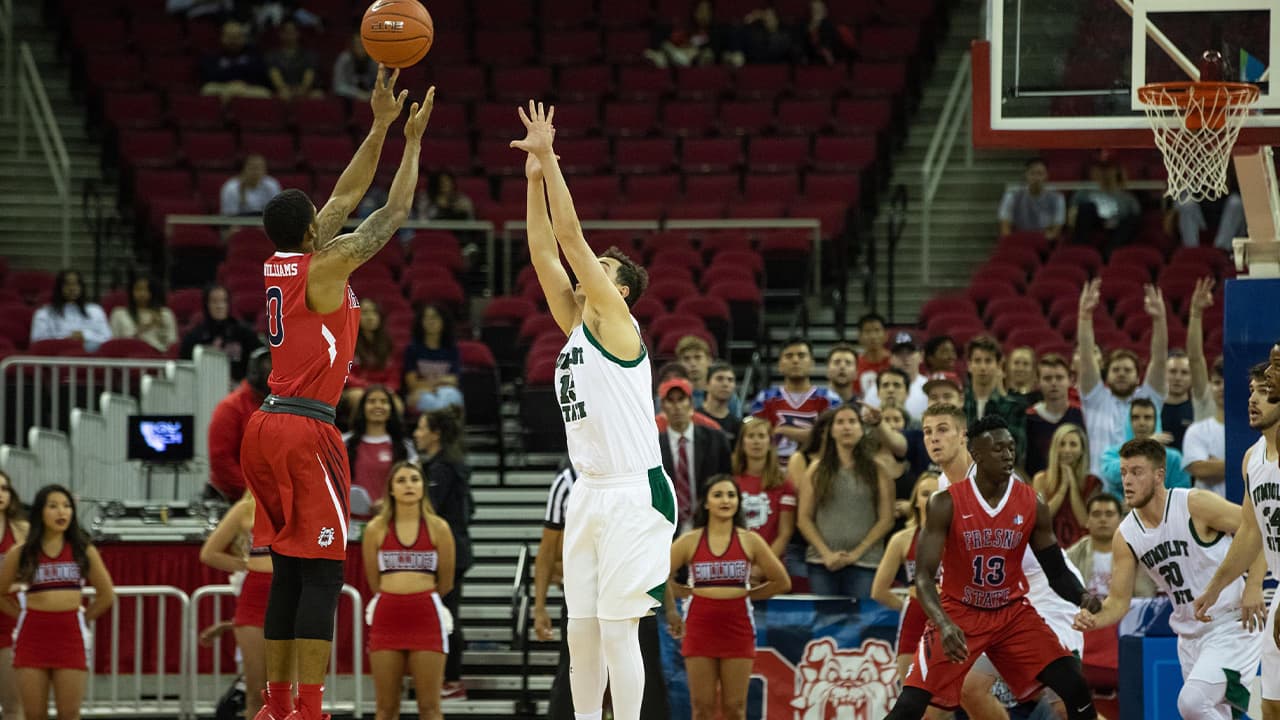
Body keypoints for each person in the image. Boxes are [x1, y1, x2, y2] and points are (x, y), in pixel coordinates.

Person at [239, 68, 433, 720]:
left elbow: (347, 195)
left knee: (288, 572)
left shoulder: (282, 262)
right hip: (304, 429)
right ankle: (311, 709)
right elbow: (392, 213)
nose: (332, 213)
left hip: (265, 426)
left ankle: (277, 704)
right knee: (323, 571)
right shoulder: (325, 266)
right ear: (312, 231)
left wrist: (377, 123)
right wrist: (411, 141)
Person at [513, 99, 675, 720]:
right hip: (588, 490)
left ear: (621, 288)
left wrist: (550, 157)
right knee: (582, 627)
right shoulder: (576, 323)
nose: (590, 272)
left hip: (637, 491)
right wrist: (532, 182)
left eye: (605, 271)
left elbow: (572, 242)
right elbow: (541, 250)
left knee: (616, 629)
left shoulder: (616, 320)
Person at [883, 417, 1100, 720]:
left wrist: (1081, 597)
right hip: (960, 611)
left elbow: (1056, 571)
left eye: (1011, 448)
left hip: (1012, 613)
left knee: (1074, 685)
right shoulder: (945, 502)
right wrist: (944, 624)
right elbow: (923, 577)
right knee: (911, 705)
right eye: (998, 449)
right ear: (976, 453)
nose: (1008, 454)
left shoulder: (1032, 503)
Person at [1074, 438, 1265, 720]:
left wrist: (1254, 586)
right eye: (1124, 472)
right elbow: (1117, 601)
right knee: (1213, 714)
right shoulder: (1126, 534)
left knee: (1191, 704)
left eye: (1136, 472)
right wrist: (1095, 619)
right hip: (1189, 635)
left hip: (1231, 623)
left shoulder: (1194, 503)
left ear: (1159, 475)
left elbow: (1257, 528)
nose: (1127, 480)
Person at [534, 462, 671, 720]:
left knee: (646, 665)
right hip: (584, 592)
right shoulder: (566, 482)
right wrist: (539, 606)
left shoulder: (637, 470)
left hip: (629, 587)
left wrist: (670, 605)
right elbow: (547, 550)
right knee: (574, 667)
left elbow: (656, 549)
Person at [1193, 362, 1280, 720]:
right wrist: (1214, 588)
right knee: (1272, 706)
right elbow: (1250, 531)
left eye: (1263, 390)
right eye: (1250, 391)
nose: (1252, 399)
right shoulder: (1252, 458)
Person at [666, 476, 791, 720]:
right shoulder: (691, 540)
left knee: (735, 708)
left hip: (738, 627)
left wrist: (748, 595)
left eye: (731, 495)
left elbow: (782, 581)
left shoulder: (750, 540)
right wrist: (674, 606)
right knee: (702, 708)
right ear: (706, 503)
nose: (726, 500)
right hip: (700, 626)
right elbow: (658, 576)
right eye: (718, 495)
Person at [0, 485, 114, 720]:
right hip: (32, 637)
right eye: (53, 506)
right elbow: (0, 593)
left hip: (70, 636)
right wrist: (21, 614)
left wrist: (82, 618)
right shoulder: (21, 552)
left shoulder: (84, 550)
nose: (62, 512)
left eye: (67, 506)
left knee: (70, 713)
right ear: (40, 512)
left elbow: (106, 595)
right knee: (34, 714)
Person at [362, 461, 455, 720]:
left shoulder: (439, 528)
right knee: (386, 708)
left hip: (426, 616)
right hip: (387, 618)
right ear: (390, 489)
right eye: (401, 480)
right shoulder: (375, 529)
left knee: (429, 707)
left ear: (424, 486)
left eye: (415, 479)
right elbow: (373, 581)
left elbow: (446, 582)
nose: (409, 485)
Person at [795, 405, 894, 598]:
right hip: (822, 563)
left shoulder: (878, 469)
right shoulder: (816, 470)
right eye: (840, 422)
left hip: (866, 562)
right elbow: (803, 519)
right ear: (831, 431)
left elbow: (886, 519)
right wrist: (826, 554)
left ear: (861, 429)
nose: (846, 427)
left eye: (852, 422)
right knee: (825, 625)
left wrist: (857, 553)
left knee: (864, 626)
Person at [1076, 278, 1169, 475]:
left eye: (1127, 370)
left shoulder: (1148, 400)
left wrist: (1159, 320)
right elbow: (1086, 357)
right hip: (1100, 489)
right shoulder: (1095, 398)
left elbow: (1160, 359)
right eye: (1116, 370)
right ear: (1106, 376)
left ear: (1138, 377)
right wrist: (1084, 316)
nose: (1121, 374)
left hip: (1144, 485)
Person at [413, 409, 472, 700]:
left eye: (421, 428)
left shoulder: (443, 467)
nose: (416, 433)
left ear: (435, 433)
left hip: (449, 551)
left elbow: (430, 509)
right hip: (453, 547)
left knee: (445, 613)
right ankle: (446, 677)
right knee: (444, 612)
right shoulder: (448, 464)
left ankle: (450, 680)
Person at [200, 493, 274, 720]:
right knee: (256, 692)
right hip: (254, 600)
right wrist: (246, 564)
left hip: (292, 595)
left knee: (288, 691)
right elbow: (209, 553)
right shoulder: (245, 508)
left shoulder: (301, 502)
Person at [871, 472, 943, 688]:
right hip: (915, 617)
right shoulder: (902, 539)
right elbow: (878, 590)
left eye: (937, 494)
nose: (931, 499)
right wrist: (907, 606)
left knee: (943, 701)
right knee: (910, 694)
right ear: (916, 501)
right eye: (925, 494)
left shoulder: (959, 536)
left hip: (949, 616)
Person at [750, 338, 843, 467]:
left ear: (812, 363)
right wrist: (810, 434)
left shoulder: (830, 399)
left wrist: (784, 430)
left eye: (801, 355)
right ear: (780, 365)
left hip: (818, 471)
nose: (795, 360)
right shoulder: (764, 399)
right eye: (789, 356)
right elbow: (751, 434)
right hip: (773, 473)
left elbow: (833, 438)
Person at [658, 377, 733, 534]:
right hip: (666, 527)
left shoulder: (716, 440)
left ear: (691, 403)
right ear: (663, 407)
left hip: (709, 522)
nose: (677, 406)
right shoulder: (653, 446)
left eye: (681, 399)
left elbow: (727, 479)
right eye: (670, 401)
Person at [208, 347, 272, 501]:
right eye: (268, 370)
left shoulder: (282, 406)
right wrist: (256, 493)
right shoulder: (230, 408)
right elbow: (221, 461)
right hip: (235, 499)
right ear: (255, 374)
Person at [344, 385, 417, 517]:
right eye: (372, 401)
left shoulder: (404, 446)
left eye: (384, 402)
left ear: (391, 409)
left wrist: (388, 503)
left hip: (390, 520)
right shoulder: (344, 443)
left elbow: (414, 485)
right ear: (362, 408)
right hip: (349, 523)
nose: (378, 406)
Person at [731, 416, 795, 561]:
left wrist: (764, 566)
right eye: (751, 436)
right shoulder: (730, 482)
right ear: (742, 443)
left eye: (761, 436)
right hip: (736, 563)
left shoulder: (785, 485)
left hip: (772, 566)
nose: (756, 441)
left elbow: (785, 533)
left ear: (770, 443)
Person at [963, 335, 1029, 468]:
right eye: (977, 361)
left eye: (988, 361)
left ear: (998, 365)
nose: (982, 367)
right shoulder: (959, 405)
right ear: (969, 365)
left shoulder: (1014, 408)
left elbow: (1014, 452)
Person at [1099, 399, 1189, 496]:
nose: (1141, 423)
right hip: (1122, 509)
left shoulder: (1173, 458)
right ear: (1128, 422)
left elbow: (1181, 495)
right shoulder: (1112, 454)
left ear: (1156, 421)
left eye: (1147, 417)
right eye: (1135, 418)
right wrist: (1144, 447)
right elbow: (1113, 476)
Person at [1032, 424, 1100, 547]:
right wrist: (1063, 487)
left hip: (1081, 547)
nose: (1067, 449)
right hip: (1048, 546)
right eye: (1062, 444)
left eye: (1073, 444)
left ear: (1082, 450)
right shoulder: (1040, 479)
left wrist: (1073, 485)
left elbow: (1085, 522)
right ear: (1054, 447)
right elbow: (1042, 520)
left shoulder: (1093, 482)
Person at [180, 284, 263, 383]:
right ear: (206, 305)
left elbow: (259, 360)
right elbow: (185, 369)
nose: (220, 306)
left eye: (224, 301)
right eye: (214, 301)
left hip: (238, 389)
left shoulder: (243, 333)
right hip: (204, 389)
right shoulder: (193, 338)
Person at [1024, 353, 1086, 477]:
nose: (1054, 383)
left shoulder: (1082, 415)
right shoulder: (1029, 418)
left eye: (1059, 378)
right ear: (1038, 382)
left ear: (1070, 380)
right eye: (1047, 378)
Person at [402, 304, 464, 415]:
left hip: (445, 392)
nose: (431, 321)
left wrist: (428, 384)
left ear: (443, 321)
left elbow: (453, 380)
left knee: (452, 396)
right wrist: (441, 381)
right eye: (427, 318)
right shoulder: (412, 349)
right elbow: (412, 383)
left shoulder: (452, 349)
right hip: (419, 394)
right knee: (431, 401)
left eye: (435, 317)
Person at [29, 269, 112, 352]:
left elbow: (107, 339)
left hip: (90, 356)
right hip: (58, 356)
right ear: (59, 288)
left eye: (76, 284)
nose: (72, 288)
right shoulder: (44, 314)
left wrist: (85, 335)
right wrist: (67, 340)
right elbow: (37, 343)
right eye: (67, 284)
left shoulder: (96, 311)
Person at [0, 471, 27, 719]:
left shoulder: (22, 530)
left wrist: (18, 584)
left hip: (9, 626)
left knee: (13, 704)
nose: (0, 494)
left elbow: (34, 572)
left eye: (4, 488)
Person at [1069, 159, 1142, 247]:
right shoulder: (1083, 193)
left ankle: (1111, 251)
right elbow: (1072, 218)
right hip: (1094, 225)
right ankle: (1081, 247)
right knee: (1087, 208)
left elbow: (1135, 221)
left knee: (1132, 219)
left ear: (1116, 171)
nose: (1105, 173)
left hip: (1117, 228)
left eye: (1108, 169)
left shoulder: (1128, 198)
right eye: (1101, 169)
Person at [344, 297, 401, 409]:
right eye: (365, 313)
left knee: (398, 404)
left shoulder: (388, 343)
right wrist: (370, 388)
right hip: (357, 389)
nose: (370, 317)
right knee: (358, 397)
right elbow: (345, 374)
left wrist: (386, 389)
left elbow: (394, 375)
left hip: (383, 389)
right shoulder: (348, 341)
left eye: (374, 312)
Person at [1182, 358, 1226, 495]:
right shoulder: (1196, 430)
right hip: (1209, 512)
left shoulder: (1256, 428)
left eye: (1227, 382)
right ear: (1210, 386)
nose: (1222, 387)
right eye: (1217, 382)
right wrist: (1245, 464)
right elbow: (1200, 470)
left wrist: (1218, 465)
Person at [200, 21, 271, 100]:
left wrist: (242, 83)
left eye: (237, 37)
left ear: (243, 38)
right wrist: (230, 85)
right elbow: (209, 76)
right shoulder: (213, 55)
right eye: (230, 37)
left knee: (264, 93)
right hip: (222, 88)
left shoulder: (254, 54)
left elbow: (261, 75)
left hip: (247, 89)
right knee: (208, 89)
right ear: (222, 37)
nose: (233, 41)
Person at [864, 333, 930, 420]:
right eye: (899, 353)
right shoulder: (875, 390)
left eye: (910, 353)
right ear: (890, 358)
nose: (905, 358)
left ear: (921, 356)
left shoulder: (929, 388)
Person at [998, 157, 1066, 240]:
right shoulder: (1012, 195)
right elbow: (1005, 229)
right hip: (1020, 239)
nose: (1036, 178)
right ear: (1026, 175)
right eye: (1032, 173)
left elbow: (1055, 231)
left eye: (1040, 174)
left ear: (1047, 175)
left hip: (1045, 240)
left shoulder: (1057, 198)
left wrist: (1037, 239)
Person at [108, 273, 178, 352]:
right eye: (138, 289)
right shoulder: (119, 314)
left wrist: (161, 328)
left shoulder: (165, 313)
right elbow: (114, 344)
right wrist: (145, 327)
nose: (142, 294)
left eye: (146, 290)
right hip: (127, 357)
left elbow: (172, 343)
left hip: (156, 357)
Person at [265, 20, 320, 100]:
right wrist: (283, 88)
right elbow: (276, 77)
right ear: (280, 34)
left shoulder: (309, 55)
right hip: (281, 91)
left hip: (304, 90)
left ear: (298, 34)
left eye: (293, 32)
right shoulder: (272, 56)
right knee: (282, 95)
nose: (289, 35)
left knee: (317, 95)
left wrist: (302, 89)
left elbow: (309, 77)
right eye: (286, 32)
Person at [701, 361, 741, 440]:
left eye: (730, 380)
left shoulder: (737, 425)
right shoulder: (693, 419)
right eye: (719, 379)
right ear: (707, 384)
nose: (725, 384)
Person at [331, 32, 378, 102]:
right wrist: (358, 94)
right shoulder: (344, 60)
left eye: (363, 44)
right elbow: (338, 86)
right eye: (357, 44)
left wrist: (371, 94)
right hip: (348, 101)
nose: (360, 47)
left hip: (372, 99)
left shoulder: (375, 61)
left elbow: (385, 86)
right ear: (352, 46)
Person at [854, 313, 891, 397]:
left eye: (877, 330)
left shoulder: (895, 362)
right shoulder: (855, 365)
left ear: (886, 335)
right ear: (859, 337)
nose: (873, 336)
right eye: (867, 331)